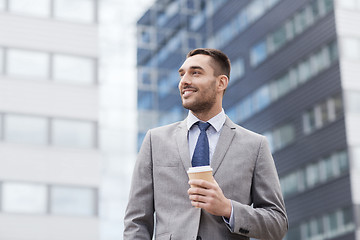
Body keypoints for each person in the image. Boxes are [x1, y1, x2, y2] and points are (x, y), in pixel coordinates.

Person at [124, 48, 288, 240]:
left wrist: (228, 208)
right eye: (182, 74)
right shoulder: (155, 140)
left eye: (195, 73)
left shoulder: (255, 145)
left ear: (221, 83)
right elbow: (136, 222)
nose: (184, 81)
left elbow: (277, 223)